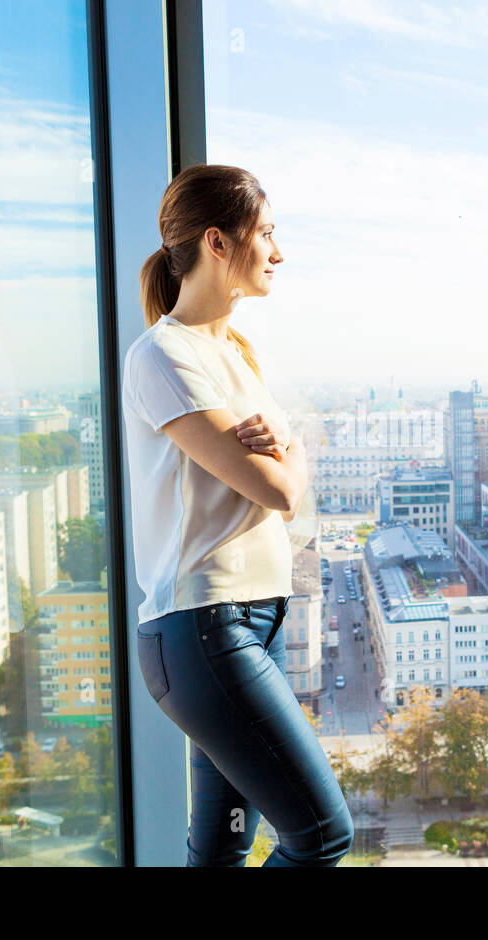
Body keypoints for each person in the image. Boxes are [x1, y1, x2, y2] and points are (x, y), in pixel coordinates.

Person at [122, 164, 353, 867]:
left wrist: (287, 453)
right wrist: (292, 449)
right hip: (204, 627)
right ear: (218, 244)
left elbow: (282, 485)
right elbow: (281, 492)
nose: (278, 254)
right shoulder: (163, 355)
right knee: (321, 835)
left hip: (257, 620)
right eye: (268, 235)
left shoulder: (234, 356)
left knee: (221, 853)